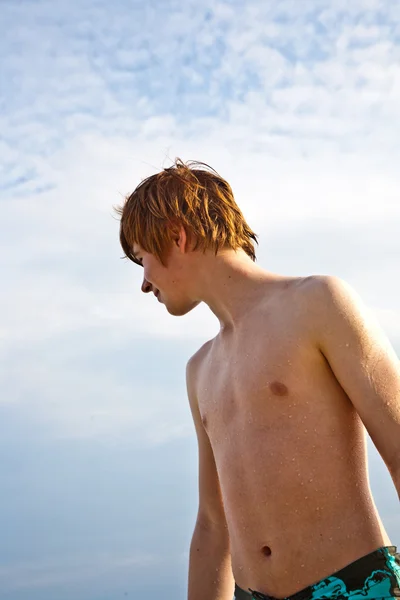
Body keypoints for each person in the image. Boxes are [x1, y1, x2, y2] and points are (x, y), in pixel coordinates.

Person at [116, 159, 400, 600]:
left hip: (356, 587)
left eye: (141, 258)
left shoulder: (317, 303)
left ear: (177, 235)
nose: (144, 282)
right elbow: (213, 525)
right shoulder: (200, 370)